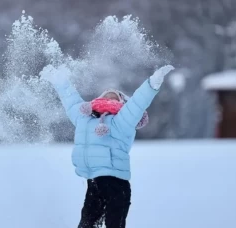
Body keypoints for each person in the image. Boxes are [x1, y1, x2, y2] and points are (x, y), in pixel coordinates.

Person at [40, 64, 174, 228]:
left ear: (122, 104)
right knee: (87, 225)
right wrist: (59, 81)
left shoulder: (122, 120)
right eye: (106, 96)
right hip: (94, 183)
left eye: (115, 97)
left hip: (116, 184)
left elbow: (138, 103)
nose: (110, 98)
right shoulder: (85, 119)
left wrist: (152, 83)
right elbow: (71, 100)